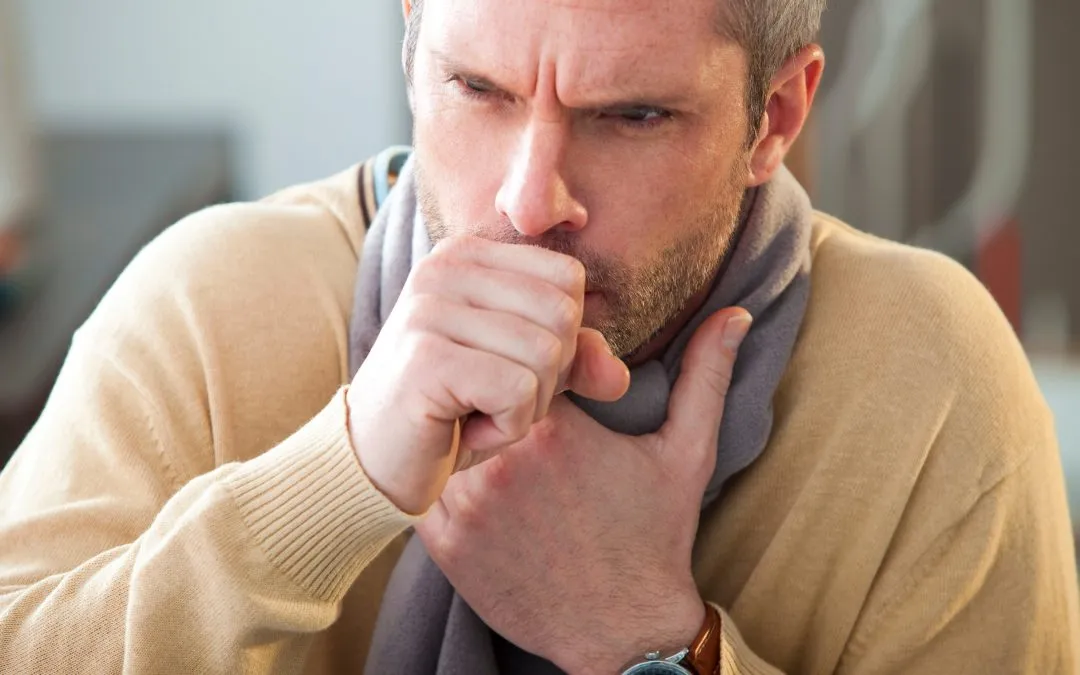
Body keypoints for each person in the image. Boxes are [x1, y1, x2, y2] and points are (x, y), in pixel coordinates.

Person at [1, 0, 1078, 672]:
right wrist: (343, 478)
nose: (529, 202)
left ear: (777, 118)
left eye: (632, 117)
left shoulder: (929, 380)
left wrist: (644, 642)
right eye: (479, 90)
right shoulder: (211, 303)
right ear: (414, 40)